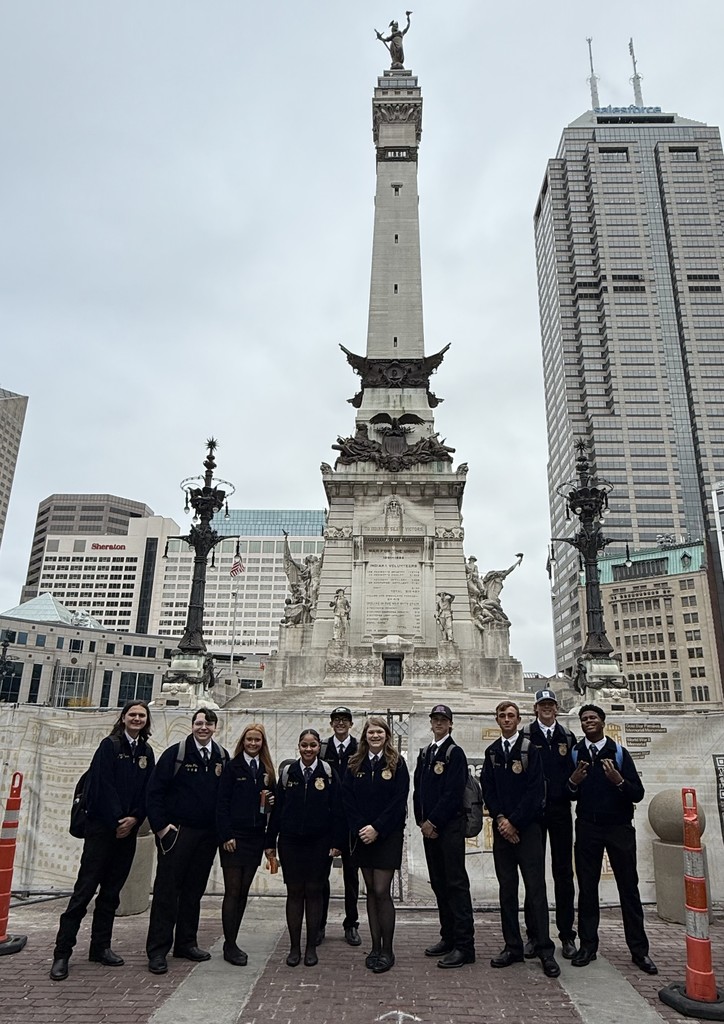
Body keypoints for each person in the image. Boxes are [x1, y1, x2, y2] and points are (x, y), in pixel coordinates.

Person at [50, 702, 155, 982]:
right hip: (102, 832)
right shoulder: (109, 746)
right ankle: (62, 953)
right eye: (132, 714)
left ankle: (100, 946)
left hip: (128, 832)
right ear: (123, 718)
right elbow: (100, 787)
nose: (136, 718)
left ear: (147, 721)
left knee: (111, 893)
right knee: (83, 893)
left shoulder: (146, 752)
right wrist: (116, 821)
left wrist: (134, 819)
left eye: (141, 716)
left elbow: (148, 791)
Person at [568, 704, 658, 974]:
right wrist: (573, 781)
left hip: (619, 827)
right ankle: (588, 946)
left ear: (603, 722)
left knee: (628, 889)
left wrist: (618, 780)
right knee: (587, 889)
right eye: (584, 719)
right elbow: (568, 793)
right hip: (588, 828)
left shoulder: (618, 753)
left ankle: (639, 951)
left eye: (593, 718)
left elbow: (637, 793)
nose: (588, 722)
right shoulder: (576, 753)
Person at [145, 708, 228, 975]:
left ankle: (186, 943)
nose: (203, 727)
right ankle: (158, 950)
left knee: (194, 891)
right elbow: (154, 791)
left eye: (208, 723)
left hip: (206, 836)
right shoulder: (176, 753)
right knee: (167, 892)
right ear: (192, 725)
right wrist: (161, 829)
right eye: (199, 723)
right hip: (177, 833)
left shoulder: (221, 756)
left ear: (216, 727)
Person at [481, 701, 560, 978]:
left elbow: (536, 790)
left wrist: (514, 821)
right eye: (502, 715)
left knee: (536, 891)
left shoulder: (531, 751)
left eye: (511, 715)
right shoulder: (491, 753)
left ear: (518, 719)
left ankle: (544, 949)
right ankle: (512, 946)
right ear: (497, 719)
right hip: (503, 830)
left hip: (527, 830)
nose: (506, 719)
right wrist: (502, 820)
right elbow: (488, 791)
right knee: (507, 892)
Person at [267, 729, 345, 968]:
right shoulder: (288, 773)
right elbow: (278, 811)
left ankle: (311, 946)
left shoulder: (329, 773)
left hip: (319, 842)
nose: (308, 749)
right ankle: (294, 947)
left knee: (314, 892)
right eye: (304, 745)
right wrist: (269, 843)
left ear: (318, 747)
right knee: (294, 893)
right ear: (298, 747)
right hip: (291, 841)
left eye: (313, 745)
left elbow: (338, 810)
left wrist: (337, 842)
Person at [342, 717, 410, 973]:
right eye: (371, 732)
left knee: (382, 890)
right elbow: (347, 798)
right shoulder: (354, 763)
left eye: (380, 732)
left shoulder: (397, 763)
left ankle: (388, 949)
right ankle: (374, 946)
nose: (375, 736)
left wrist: (377, 828)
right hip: (362, 835)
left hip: (387, 835)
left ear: (386, 735)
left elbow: (398, 800)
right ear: (365, 736)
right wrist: (362, 827)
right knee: (370, 891)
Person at [413, 704, 475, 968]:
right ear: (431, 723)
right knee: (439, 883)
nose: (439, 723)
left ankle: (465, 945)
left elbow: (453, 793)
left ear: (451, 724)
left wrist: (434, 821)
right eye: (435, 719)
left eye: (443, 720)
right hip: (429, 829)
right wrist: (421, 821)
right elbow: (418, 790)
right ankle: (447, 936)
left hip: (449, 827)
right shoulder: (426, 753)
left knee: (456, 884)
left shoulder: (455, 753)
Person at [522, 689, 577, 961]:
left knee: (563, 872)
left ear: (556, 708)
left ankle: (567, 934)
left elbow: (576, 772)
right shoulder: (526, 736)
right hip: (532, 813)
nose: (546, 708)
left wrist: (568, 791)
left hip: (559, 811)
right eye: (542, 704)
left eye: (550, 705)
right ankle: (534, 934)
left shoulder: (566, 737)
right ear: (535, 709)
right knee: (533, 874)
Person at [216, 722, 276, 966]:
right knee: (232, 890)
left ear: (262, 744)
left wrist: (270, 802)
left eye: (257, 740)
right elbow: (221, 803)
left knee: (243, 891)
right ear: (243, 741)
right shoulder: (232, 768)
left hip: (254, 836)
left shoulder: (266, 770)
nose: (253, 743)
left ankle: (233, 939)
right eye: (249, 739)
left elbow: (272, 809)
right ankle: (229, 944)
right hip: (234, 837)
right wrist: (226, 835)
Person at [319, 706, 360, 946]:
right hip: (328, 820)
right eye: (337, 720)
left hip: (351, 822)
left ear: (351, 724)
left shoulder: (359, 748)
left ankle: (351, 923)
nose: (341, 723)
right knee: (321, 875)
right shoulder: (324, 748)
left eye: (345, 720)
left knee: (351, 877)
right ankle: (320, 924)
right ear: (332, 723)